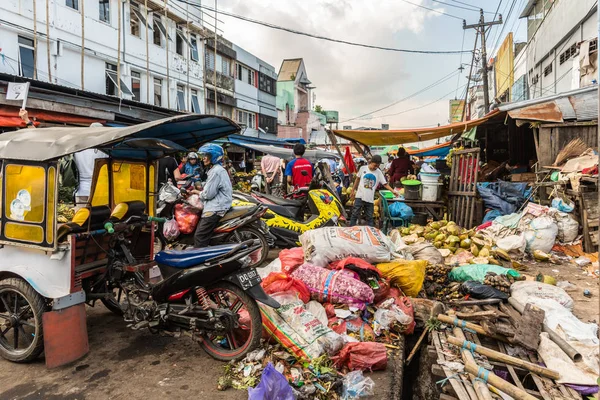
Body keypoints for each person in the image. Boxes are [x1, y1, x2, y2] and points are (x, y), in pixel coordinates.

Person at [194, 144, 232, 248]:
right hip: (218, 205)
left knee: (199, 236)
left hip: (215, 207)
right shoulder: (216, 170)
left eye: (207, 155)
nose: (204, 158)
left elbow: (208, 194)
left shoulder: (216, 171)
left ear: (214, 157)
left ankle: (200, 260)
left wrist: (196, 192)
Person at [349, 155, 397, 227]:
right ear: (371, 162)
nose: (376, 167)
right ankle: (350, 229)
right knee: (355, 213)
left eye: (377, 166)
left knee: (370, 217)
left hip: (370, 198)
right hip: (360, 196)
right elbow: (357, 179)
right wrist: (353, 190)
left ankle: (371, 231)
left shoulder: (378, 172)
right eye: (375, 165)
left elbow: (385, 184)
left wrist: (393, 191)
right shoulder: (363, 168)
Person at [73, 123, 109, 206]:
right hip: (99, 191)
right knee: (98, 217)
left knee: (80, 217)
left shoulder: (77, 150)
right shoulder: (104, 151)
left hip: (81, 190)